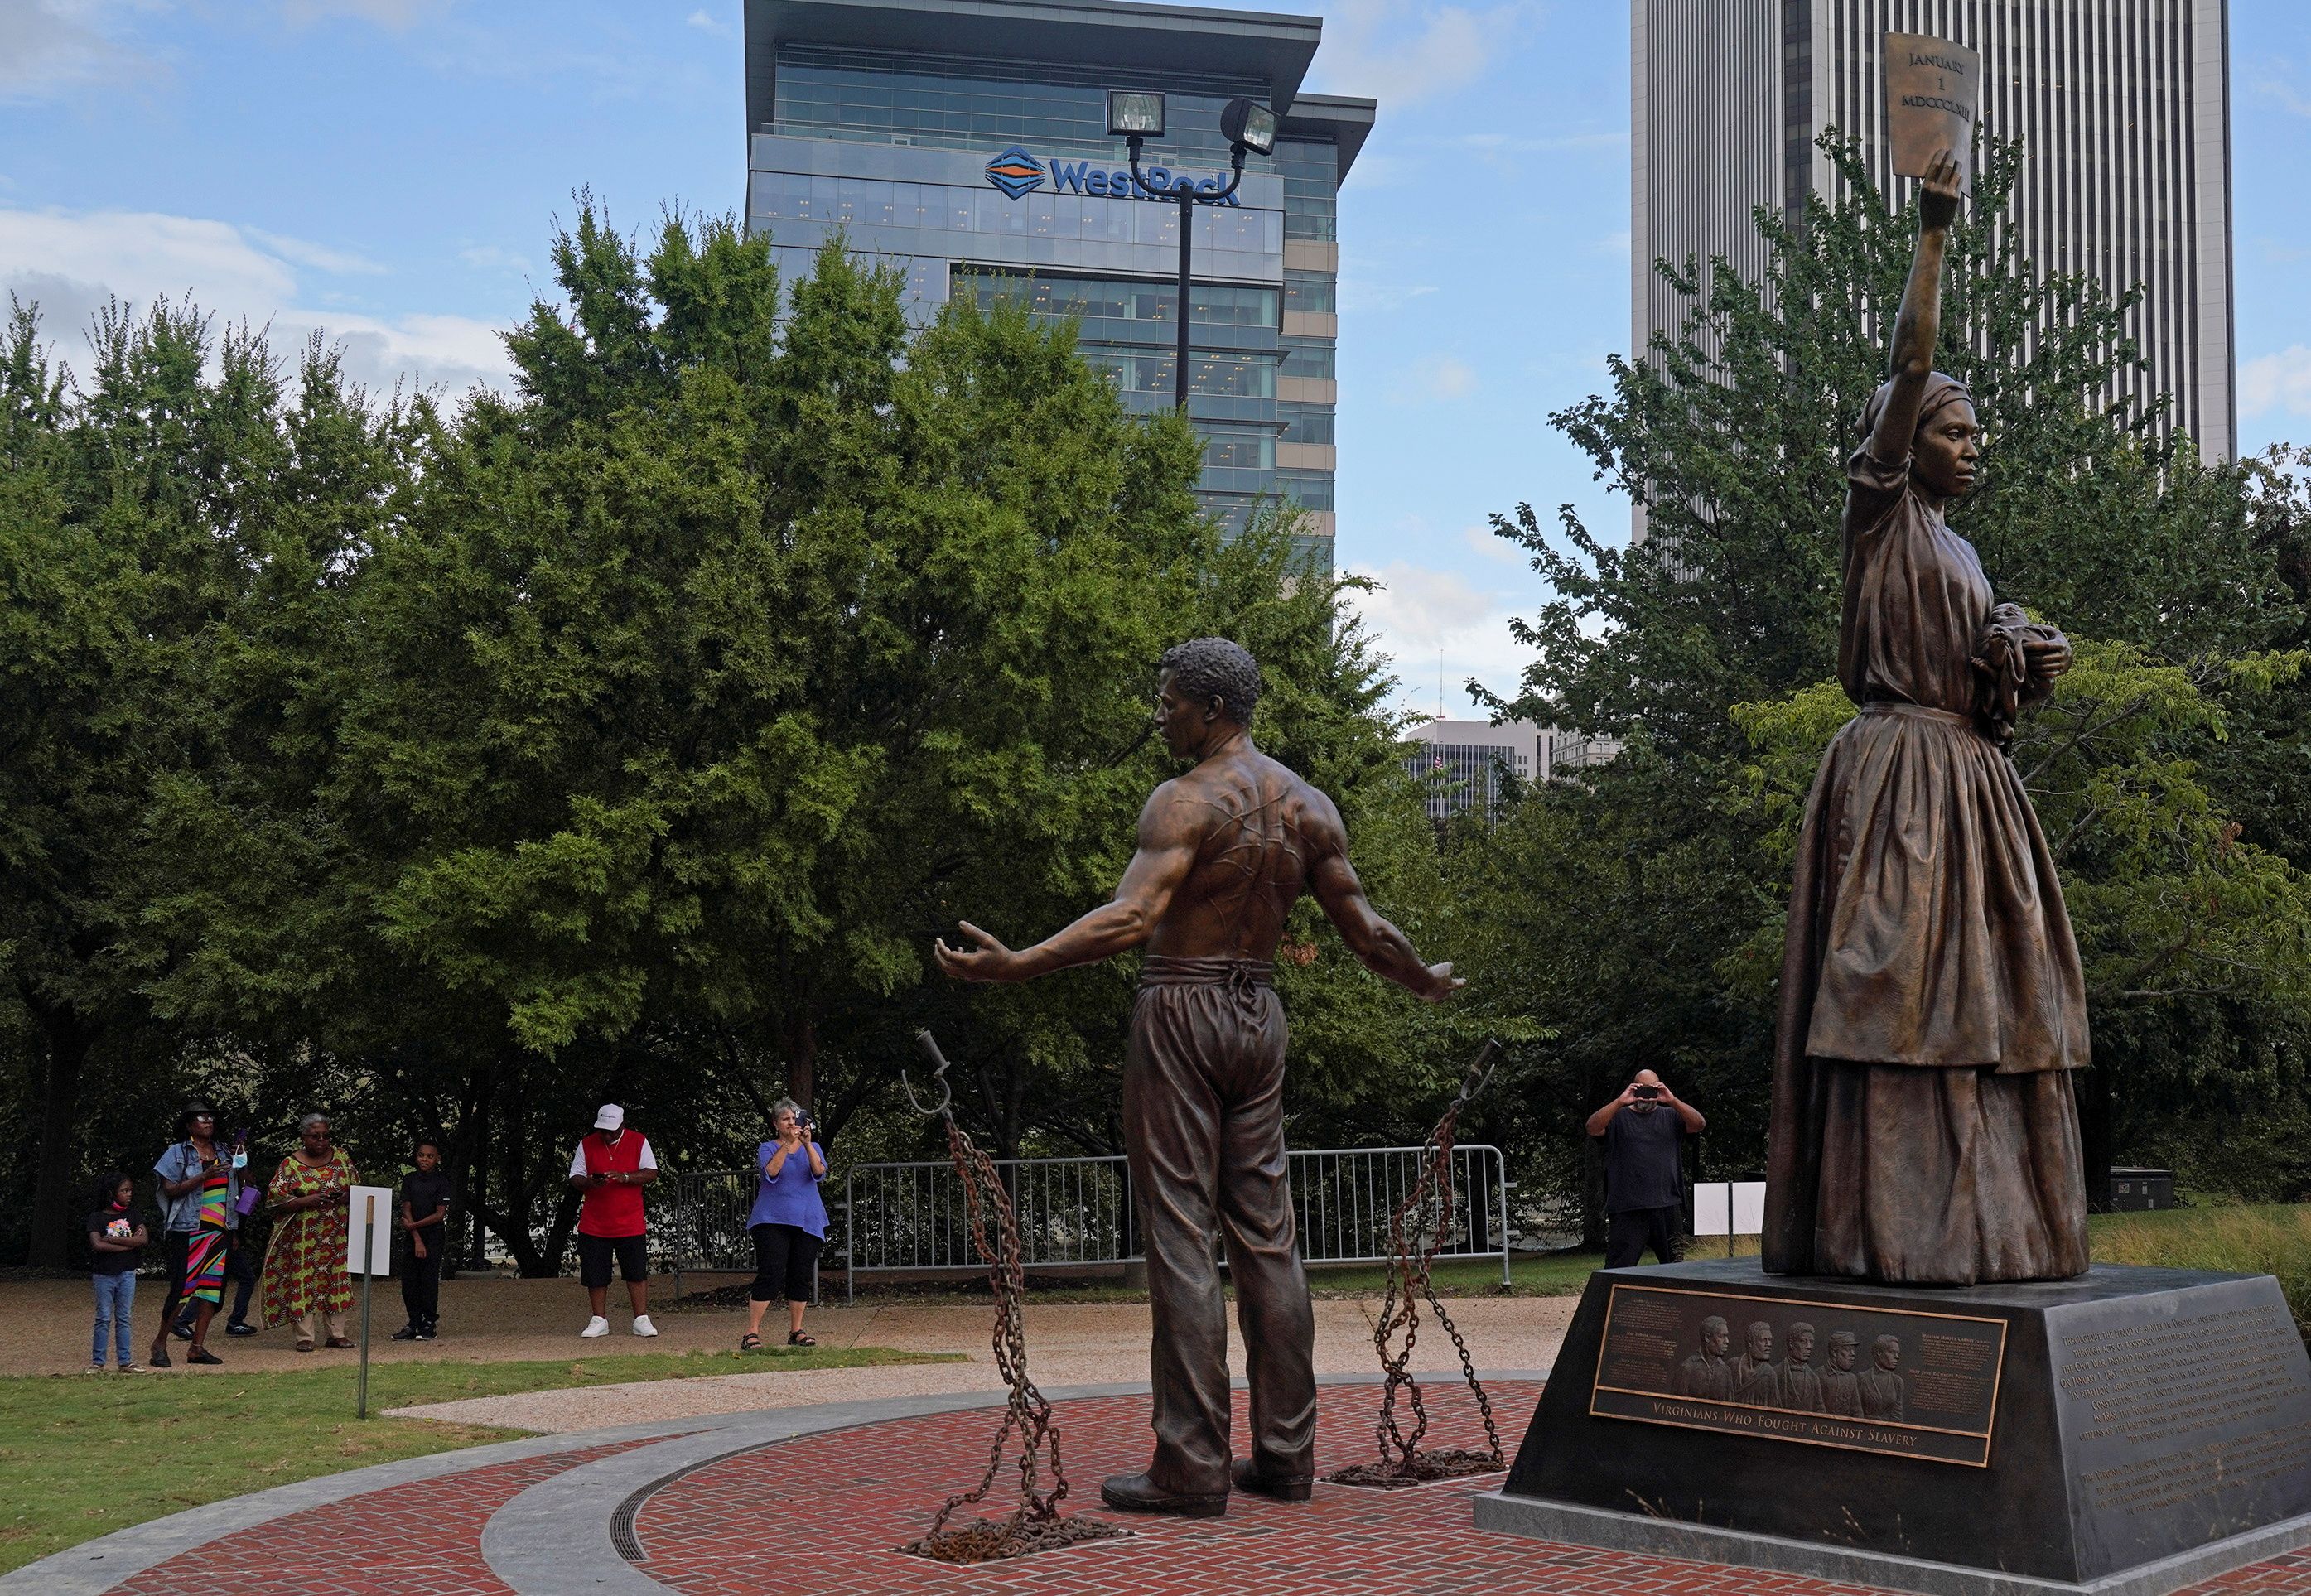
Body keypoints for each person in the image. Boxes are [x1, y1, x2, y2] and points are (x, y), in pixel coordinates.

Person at [936, 638, 1459, 1518]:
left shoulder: (1183, 800)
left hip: (1183, 1006)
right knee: (1267, 1233)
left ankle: (1191, 1465)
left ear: (1212, 708)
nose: (1160, 713)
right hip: (1260, 1014)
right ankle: (1289, 1458)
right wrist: (1425, 980)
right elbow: (1367, 930)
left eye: (1170, 700)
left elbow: (1135, 915)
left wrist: (1019, 963)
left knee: (1181, 1232)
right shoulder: (1308, 805)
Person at [1762, 147, 2091, 1287]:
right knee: (1894, 993)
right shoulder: (1882, 511)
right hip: (1898, 771)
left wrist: (2013, 657)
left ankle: (1993, 1222)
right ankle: (1884, 1225)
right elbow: (1908, 364)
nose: (1971, 443)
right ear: (1906, 442)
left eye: (1970, 433)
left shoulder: (1959, 546)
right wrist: (1934, 231)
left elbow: (1975, 658)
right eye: (1956, 429)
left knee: (1993, 1001)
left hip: (1969, 781)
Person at [149, 1102, 239, 1368]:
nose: (208, 1121)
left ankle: (196, 1349)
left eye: (211, 1117)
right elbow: (170, 1190)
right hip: (189, 1230)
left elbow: (241, 1186)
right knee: (182, 1290)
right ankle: (159, 1344)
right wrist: (204, 1175)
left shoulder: (223, 1151)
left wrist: (242, 1161)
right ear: (189, 1125)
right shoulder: (177, 1152)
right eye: (202, 1117)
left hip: (219, 1230)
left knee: (211, 1290)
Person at [1585, 1069, 1705, 1267]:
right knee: (1619, 1269)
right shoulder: (1617, 1117)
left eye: (1652, 1091)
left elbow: (1699, 1124)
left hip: (1667, 1205)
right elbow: (1592, 1127)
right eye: (1642, 1090)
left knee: (1675, 1267)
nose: (1646, 1097)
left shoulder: (1672, 1117)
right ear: (1633, 1087)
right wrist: (1620, 1101)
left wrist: (1672, 1100)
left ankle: (1671, 1299)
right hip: (1627, 1208)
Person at [260, 1112, 359, 1351]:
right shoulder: (290, 1164)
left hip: (336, 1236)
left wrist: (346, 1196)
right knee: (303, 1282)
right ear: (304, 1137)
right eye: (315, 1136)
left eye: (326, 1136)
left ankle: (337, 1334)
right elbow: (274, 1201)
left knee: (336, 1281)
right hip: (303, 1239)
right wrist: (306, 1201)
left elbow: (358, 1188)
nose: (322, 1141)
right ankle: (305, 1336)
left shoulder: (342, 1158)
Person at [741, 1099, 827, 1350]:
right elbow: (772, 1172)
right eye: (786, 1119)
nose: (792, 1123)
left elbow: (819, 1172)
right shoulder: (767, 1147)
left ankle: (796, 1330)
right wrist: (788, 1144)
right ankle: (752, 1332)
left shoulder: (814, 1146)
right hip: (772, 1219)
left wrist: (807, 1145)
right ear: (776, 1124)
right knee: (771, 1273)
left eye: (795, 1118)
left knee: (800, 1275)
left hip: (807, 1219)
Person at [569, 1103, 658, 1338]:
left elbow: (651, 1172)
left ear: (622, 1125)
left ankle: (641, 1319)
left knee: (636, 1271)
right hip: (595, 1223)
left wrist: (626, 1177)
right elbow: (575, 1177)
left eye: (612, 1131)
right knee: (595, 1274)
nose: (607, 1135)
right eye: (603, 1130)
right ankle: (599, 1320)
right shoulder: (587, 1144)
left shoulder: (639, 1141)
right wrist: (589, 1182)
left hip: (630, 1221)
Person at [174, 1128, 258, 1341]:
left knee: (212, 1280)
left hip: (227, 1232)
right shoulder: (222, 1170)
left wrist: (242, 1158)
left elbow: (247, 1183)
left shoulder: (236, 1171)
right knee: (217, 1280)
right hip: (222, 1233)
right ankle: (230, 1321)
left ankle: (185, 1320)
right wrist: (234, 1236)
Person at [86, 1173, 146, 1373]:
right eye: (124, 1191)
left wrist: (112, 1240)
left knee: (124, 1317)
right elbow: (97, 1244)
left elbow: (143, 1240)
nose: (129, 1194)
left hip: (127, 1274)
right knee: (103, 1317)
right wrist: (129, 1244)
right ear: (112, 1193)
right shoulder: (97, 1217)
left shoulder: (134, 1215)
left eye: (130, 1191)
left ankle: (125, 1361)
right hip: (103, 1275)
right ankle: (98, 1362)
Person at [393, 1140, 452, 1342]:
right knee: (409, 1281)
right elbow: (407, 1209)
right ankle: (414, 1321)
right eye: (421, 1155)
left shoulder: (442, 1181)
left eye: (429, 1156)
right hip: (413, 1235)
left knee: (428, 1279)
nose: (424, 1159)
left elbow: (439, 1214)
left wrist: (414, 1227)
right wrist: (415, 1236)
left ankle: (429, 1322)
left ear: (437, 1159)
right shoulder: (410, 1179)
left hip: (433, 1234)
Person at [1677, 1315, 1734, 1401]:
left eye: (1727, 1336)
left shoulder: (1726, 1371)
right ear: (1707, 1337)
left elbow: (1730, 1409)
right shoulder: (1687, 1368)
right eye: (1722, 1336)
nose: (1727, 1341)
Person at [1778, 1320, 1826, 1411]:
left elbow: (1820, 1411)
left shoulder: (1814, 1378)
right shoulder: (1776, 1374)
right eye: (1804, 1341)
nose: (1809, 1346)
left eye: (1811, 1342)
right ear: (1791, 1344)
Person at [1732, 1320, 1783, 1406]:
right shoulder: (1733, 1365)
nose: (1769, 1344)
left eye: (1770, 1340)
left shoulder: (1769, 1374)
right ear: (1750, 1343)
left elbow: (1774, 1411)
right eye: (1764, 1340)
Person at [1860, 1333, 1908, 1421]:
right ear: (1879, 1353)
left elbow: (1897, 1415)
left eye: (1898, 1353)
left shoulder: (1897, 1382)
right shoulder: (1862, 1378)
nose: (1897, 1357)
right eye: (1892, 1352)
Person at [1820, 1330, 1863, 1416]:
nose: (1853, 1354)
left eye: (1853, 1350)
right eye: (1848, 1349)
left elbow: (1858, 1412)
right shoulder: (1818, 1375)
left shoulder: (1852, 1379)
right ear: (1834, 1352)